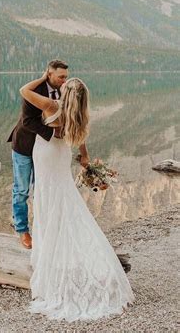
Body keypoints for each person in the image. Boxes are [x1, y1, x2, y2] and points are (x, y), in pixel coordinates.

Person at [19, 71, 135, 321]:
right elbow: (82, 147)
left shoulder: (52, 106)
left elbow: (24, 91)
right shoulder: (81, 117)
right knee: (65, 198)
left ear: (65, 92)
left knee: (47, 199)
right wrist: (86, 161)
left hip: (46, 156)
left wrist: (43, 77)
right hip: (60, 159)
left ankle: (50, 253)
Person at [7, 60, 74, 249]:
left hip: (46, 151)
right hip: (25, 146)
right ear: (49, 74)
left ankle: (42, 228)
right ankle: (22, 230)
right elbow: (28, 122)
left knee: (42, 188)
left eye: (65, 77)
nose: (63, 81)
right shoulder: (34, 91)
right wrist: (53, 134)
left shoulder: (65, 91)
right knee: (21, 190)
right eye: (60, 77)